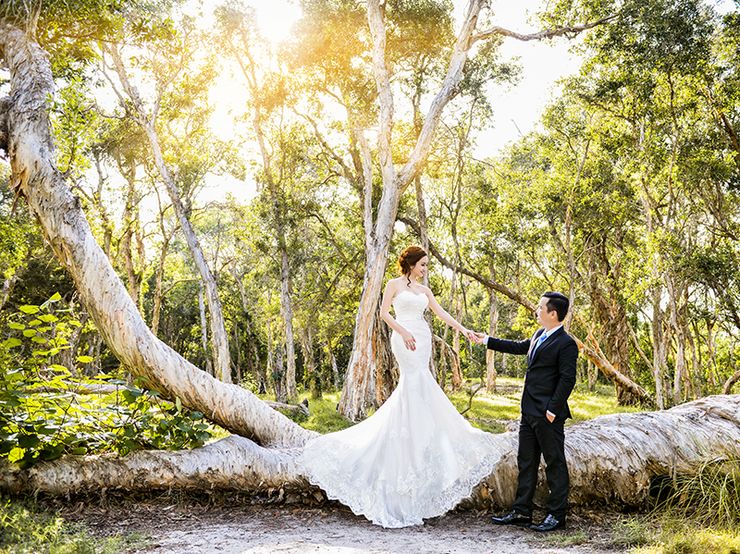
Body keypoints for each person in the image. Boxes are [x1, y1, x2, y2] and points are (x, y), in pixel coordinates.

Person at [300, 246, 506, 528]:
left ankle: (420, 447)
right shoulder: (393, 285)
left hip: (422, 338)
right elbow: (384, 313)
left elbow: (441, 313)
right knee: (414, 383)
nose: (425, 269)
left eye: (426, 265)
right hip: (404, 337)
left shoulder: (424, 290)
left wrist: (464, 330)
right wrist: (404, 331)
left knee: (421, 388)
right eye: (422, 264)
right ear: (410, 264)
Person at [472, 292, 577, 532]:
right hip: (528, 411)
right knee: (526, 462)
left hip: (548, 414)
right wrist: (486, 340)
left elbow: (567, 379)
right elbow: (518, 347)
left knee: (555, 463)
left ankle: (556, 516)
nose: (536, 311)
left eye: (540, 308)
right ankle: (521, 511)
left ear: (553, 313)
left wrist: (552, 410)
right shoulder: (539, 334)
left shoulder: (566, 343)